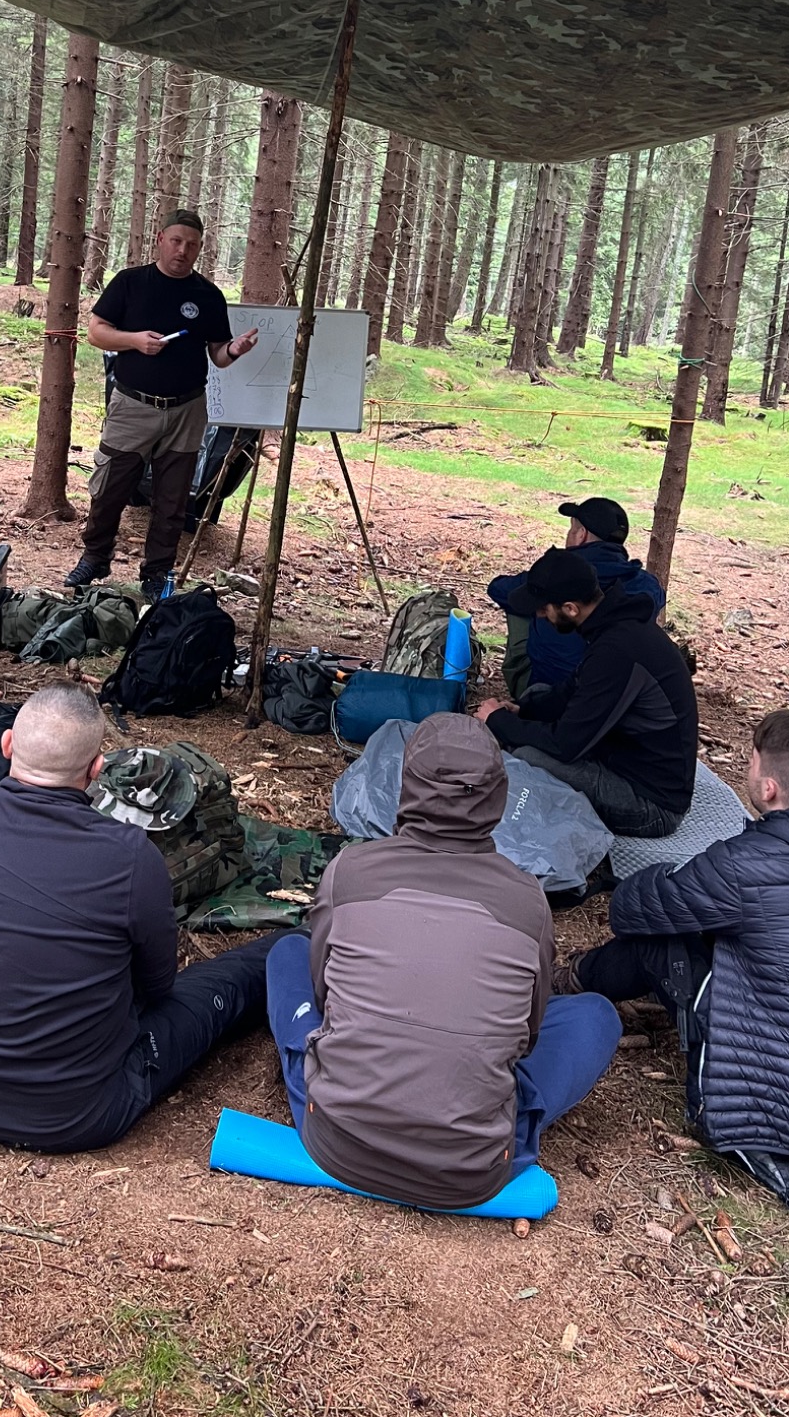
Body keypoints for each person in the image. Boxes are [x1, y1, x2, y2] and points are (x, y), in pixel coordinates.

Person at [563, 710, 789, 1198]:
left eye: (751, 760)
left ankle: (569, 982)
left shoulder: (742, 865)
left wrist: (667, 874)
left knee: (658, 938)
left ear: (769, 788)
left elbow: (631, 912)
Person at [265, 713, 621, 1208]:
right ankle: (487, 1117)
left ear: (406, 784)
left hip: (338, 1140)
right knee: (595, 1015)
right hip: (472, 1167)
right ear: (499, 795)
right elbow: (527, 1036)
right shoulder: (528, 902)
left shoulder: (350, 871)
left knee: (288, 951)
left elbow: (325, 995)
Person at [0, 683, 275, 1151]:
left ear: (7, 744)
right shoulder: (129, 855)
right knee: (222, 984)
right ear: (97, 769)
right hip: (77, 1115)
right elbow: (157, 986)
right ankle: (298, 946)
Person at [65, 211, 258, 603]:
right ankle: (95, 558)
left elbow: (218, 355)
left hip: (187, 410)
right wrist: (135, 341)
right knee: (110, 488)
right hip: (133, 404)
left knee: (172, 501)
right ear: (160, 239)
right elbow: (96, 332)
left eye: (191, 245)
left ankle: (156, 574)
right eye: (176, 241)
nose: (182, 250)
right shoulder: (131, 282)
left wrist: (235, 349)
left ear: (199, 249)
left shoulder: (208, 295)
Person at [478, 546, 698, 838]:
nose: (540, 615)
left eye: (545, 608)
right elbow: (571, 692)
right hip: (621, 757)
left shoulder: (617, 651)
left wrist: (499, 722)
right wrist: (522, 711)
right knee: (537, 695)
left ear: (571, 608)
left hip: (651, 804)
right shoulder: (615, 628)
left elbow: (565, 744)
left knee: (527, 756)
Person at [487, 497, 665, 701]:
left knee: (526, 601)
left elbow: (498, 589)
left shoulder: (556, 575)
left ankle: (531, 684)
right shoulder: (648, 586)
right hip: (614, 689)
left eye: (572, 530)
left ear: (581, 535)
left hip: (549, 689)